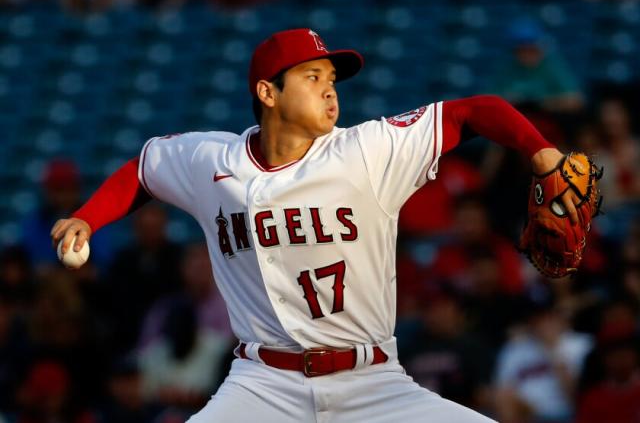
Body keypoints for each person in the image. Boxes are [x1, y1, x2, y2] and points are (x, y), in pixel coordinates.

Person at [51, 28, 582, 422]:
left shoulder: (367, 151)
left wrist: (541, 154)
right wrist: (87, 217)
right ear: (268, 93)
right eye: (312, 78)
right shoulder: (211, 160)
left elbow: (475, 111)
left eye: (332, 79)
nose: (331, 90)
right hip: (262, 385)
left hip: (373, 383)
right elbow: (143, 170)